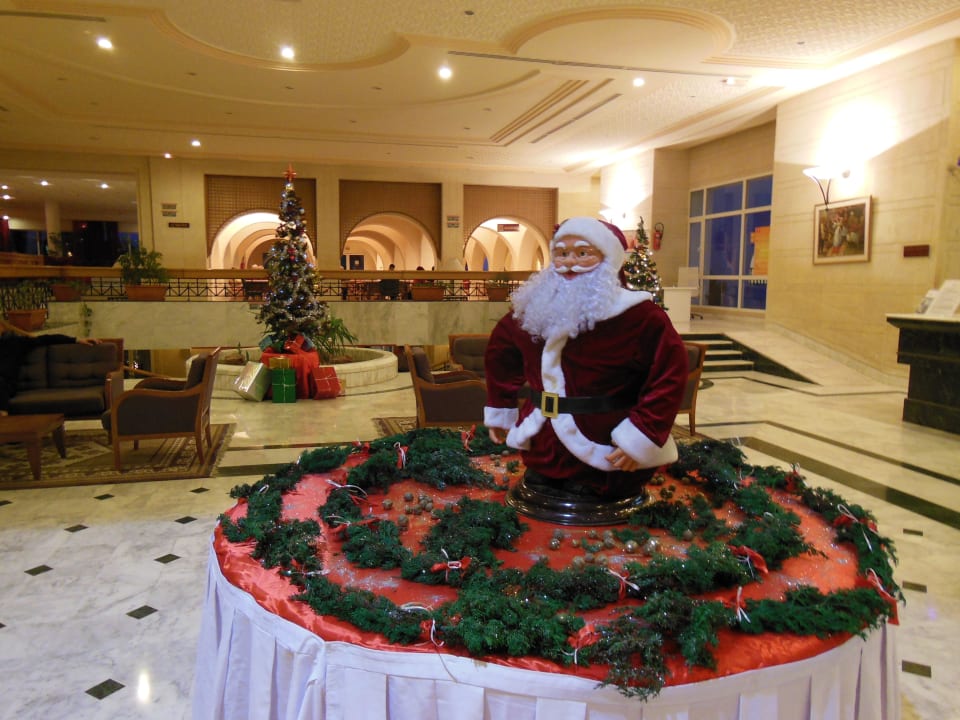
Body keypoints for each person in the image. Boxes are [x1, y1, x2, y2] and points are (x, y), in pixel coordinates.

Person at [483, 217, 688, 503]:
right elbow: (500, 353)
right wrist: (501, 406)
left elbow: (670, 375)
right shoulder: (533, 309)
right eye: (562, 253)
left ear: (609, 259)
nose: (569, 262)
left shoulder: (640, 317)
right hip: (542, 446)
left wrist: (640, 436)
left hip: (607, 449)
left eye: (582, 253)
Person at [0, 322, 97, 415]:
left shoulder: (15, 343)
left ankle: (3, 419)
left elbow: (47, 339)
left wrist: (75, 340)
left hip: (5, 384)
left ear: (2, 327)